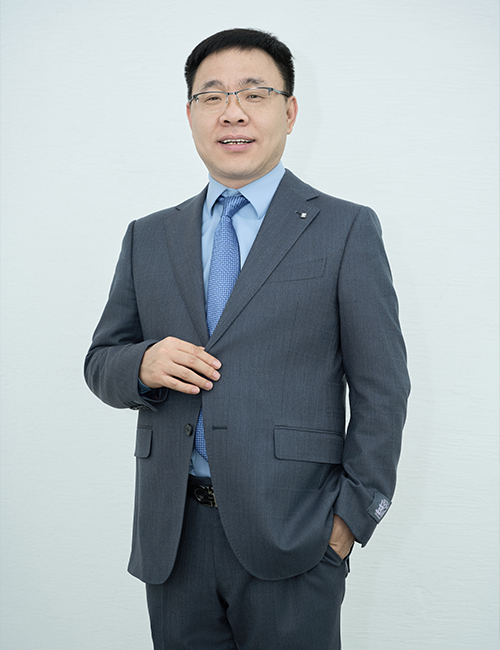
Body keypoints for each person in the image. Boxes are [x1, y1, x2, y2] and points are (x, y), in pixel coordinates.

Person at [84, 27, 410, 650]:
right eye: (212, 96)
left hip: (297, 536)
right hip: (172, 539)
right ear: (190, 114)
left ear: (290, 111)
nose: (232, 112)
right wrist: (143, 363)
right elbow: (101, 361)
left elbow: (383, 388)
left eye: (254, 94)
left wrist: (348, 521)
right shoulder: (148, 236)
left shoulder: (345, 228)